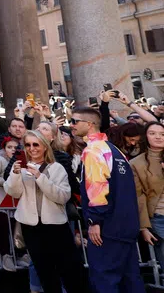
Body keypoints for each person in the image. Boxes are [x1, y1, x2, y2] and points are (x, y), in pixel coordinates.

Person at [4, 130, 86, 293]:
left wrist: (40, 177)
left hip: (55, 225)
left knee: (69, 268)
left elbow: (63, 196)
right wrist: (14, 174)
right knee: (43, 270)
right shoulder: (21, 167)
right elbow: (13, 192)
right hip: (31, 226)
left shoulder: (57, 168)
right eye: (28, 145)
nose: (32, 148)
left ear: (45, 146)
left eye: (36, 144)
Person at [73, 105, 145, 293]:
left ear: (89, 124)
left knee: (105, 280)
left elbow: (97, 186)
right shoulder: (115, 150)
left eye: (74, 121)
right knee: (130, 280)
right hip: (126, 226)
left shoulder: (93, 150)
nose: (72, 126)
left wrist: (94, 220)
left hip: (107, 228)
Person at [131, 121, 164, 270]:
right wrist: (143, 227)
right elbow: (139, 197)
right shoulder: (136, 164)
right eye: (152, 133)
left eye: (162, 134)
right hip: (158, 218)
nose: (158, 137)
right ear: (145, 136)